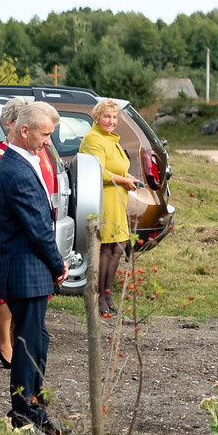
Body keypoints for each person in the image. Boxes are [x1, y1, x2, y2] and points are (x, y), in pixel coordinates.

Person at [0, 99, 66, 435]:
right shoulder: (16, 168)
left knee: (37, 341)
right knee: (28, 345)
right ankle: (23, 415)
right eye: (44, 134)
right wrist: (57, 263)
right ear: (24, 130)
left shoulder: (21, 161)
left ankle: (36, 409)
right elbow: (36, 227)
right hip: (24, 268)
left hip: (27, 268)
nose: (48, 141)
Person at [79, 99, 137, 320]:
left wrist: (127, 176)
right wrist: (124, 180)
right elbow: (99, 171)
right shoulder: (94, 139)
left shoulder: (111, 139)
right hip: (104, 199)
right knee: (105, 249)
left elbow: (115, 166)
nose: (111, 121)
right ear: (96, 117)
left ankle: (107, 294)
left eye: (114, 117)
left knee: (118, 248)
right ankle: (98, 297)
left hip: (117, 200)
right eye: (107, 116)